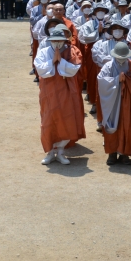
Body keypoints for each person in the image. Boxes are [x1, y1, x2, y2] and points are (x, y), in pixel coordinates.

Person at [35, 27, 85, 165]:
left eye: (60, 40)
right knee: (48, 119)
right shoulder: (44, 52)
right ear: (50, 40)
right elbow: (39, 67)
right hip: (48, 91)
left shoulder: (71, 51)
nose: (57, 43)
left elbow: (75, 68)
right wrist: (52, 61)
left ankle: (61, 151)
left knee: (66, 118)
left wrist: (61, 61)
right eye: (54, 40)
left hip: (66, 90)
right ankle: (50, 152)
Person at [96, 41, 131, 166]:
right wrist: (116, 80)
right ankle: (112, 153)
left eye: (123, 57)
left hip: (128, 102)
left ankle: (125, 154)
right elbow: (101, 81)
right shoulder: (108, 66)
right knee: (113, 125)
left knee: (127, 125)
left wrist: (129, 80)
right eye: (119, 57)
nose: (121, 59)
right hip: (112, 102)